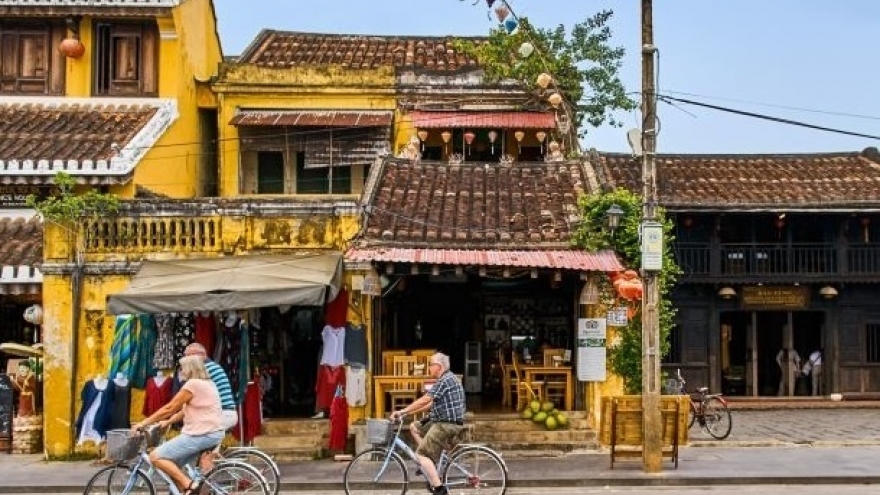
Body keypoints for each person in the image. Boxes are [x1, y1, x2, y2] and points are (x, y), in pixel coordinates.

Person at [131, 355, 224, 495]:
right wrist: (167, 422)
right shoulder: (208, 383)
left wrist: (143, 423)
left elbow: (170, 408)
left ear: (190, 369)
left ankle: (190, 486)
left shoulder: (193, 384)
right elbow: (184, 411)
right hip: (212, 433)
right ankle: (188, 489)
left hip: (201, 434)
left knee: (155, 456)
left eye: (183, 368)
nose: (181, 372)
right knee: (171, 467)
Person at [390, 352, 465, 495]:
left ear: (439, 366)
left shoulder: (445, 380)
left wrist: (402, 411)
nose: (429, 368)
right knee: (414, 427)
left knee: (421, 454)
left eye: (431, 365)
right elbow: (430, 404)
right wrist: (407, 413)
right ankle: (430, 462)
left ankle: (439, 488)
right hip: (440, 420)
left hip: (446, 424)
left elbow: (425, 399)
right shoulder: (447, 379)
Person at [184, 343, 238, 431]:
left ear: (202, 355)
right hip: (225, 413)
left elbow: (190, 397)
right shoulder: (213, 366)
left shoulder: (205, 370)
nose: (186, 361)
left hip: (221, 414)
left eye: (189, 356)